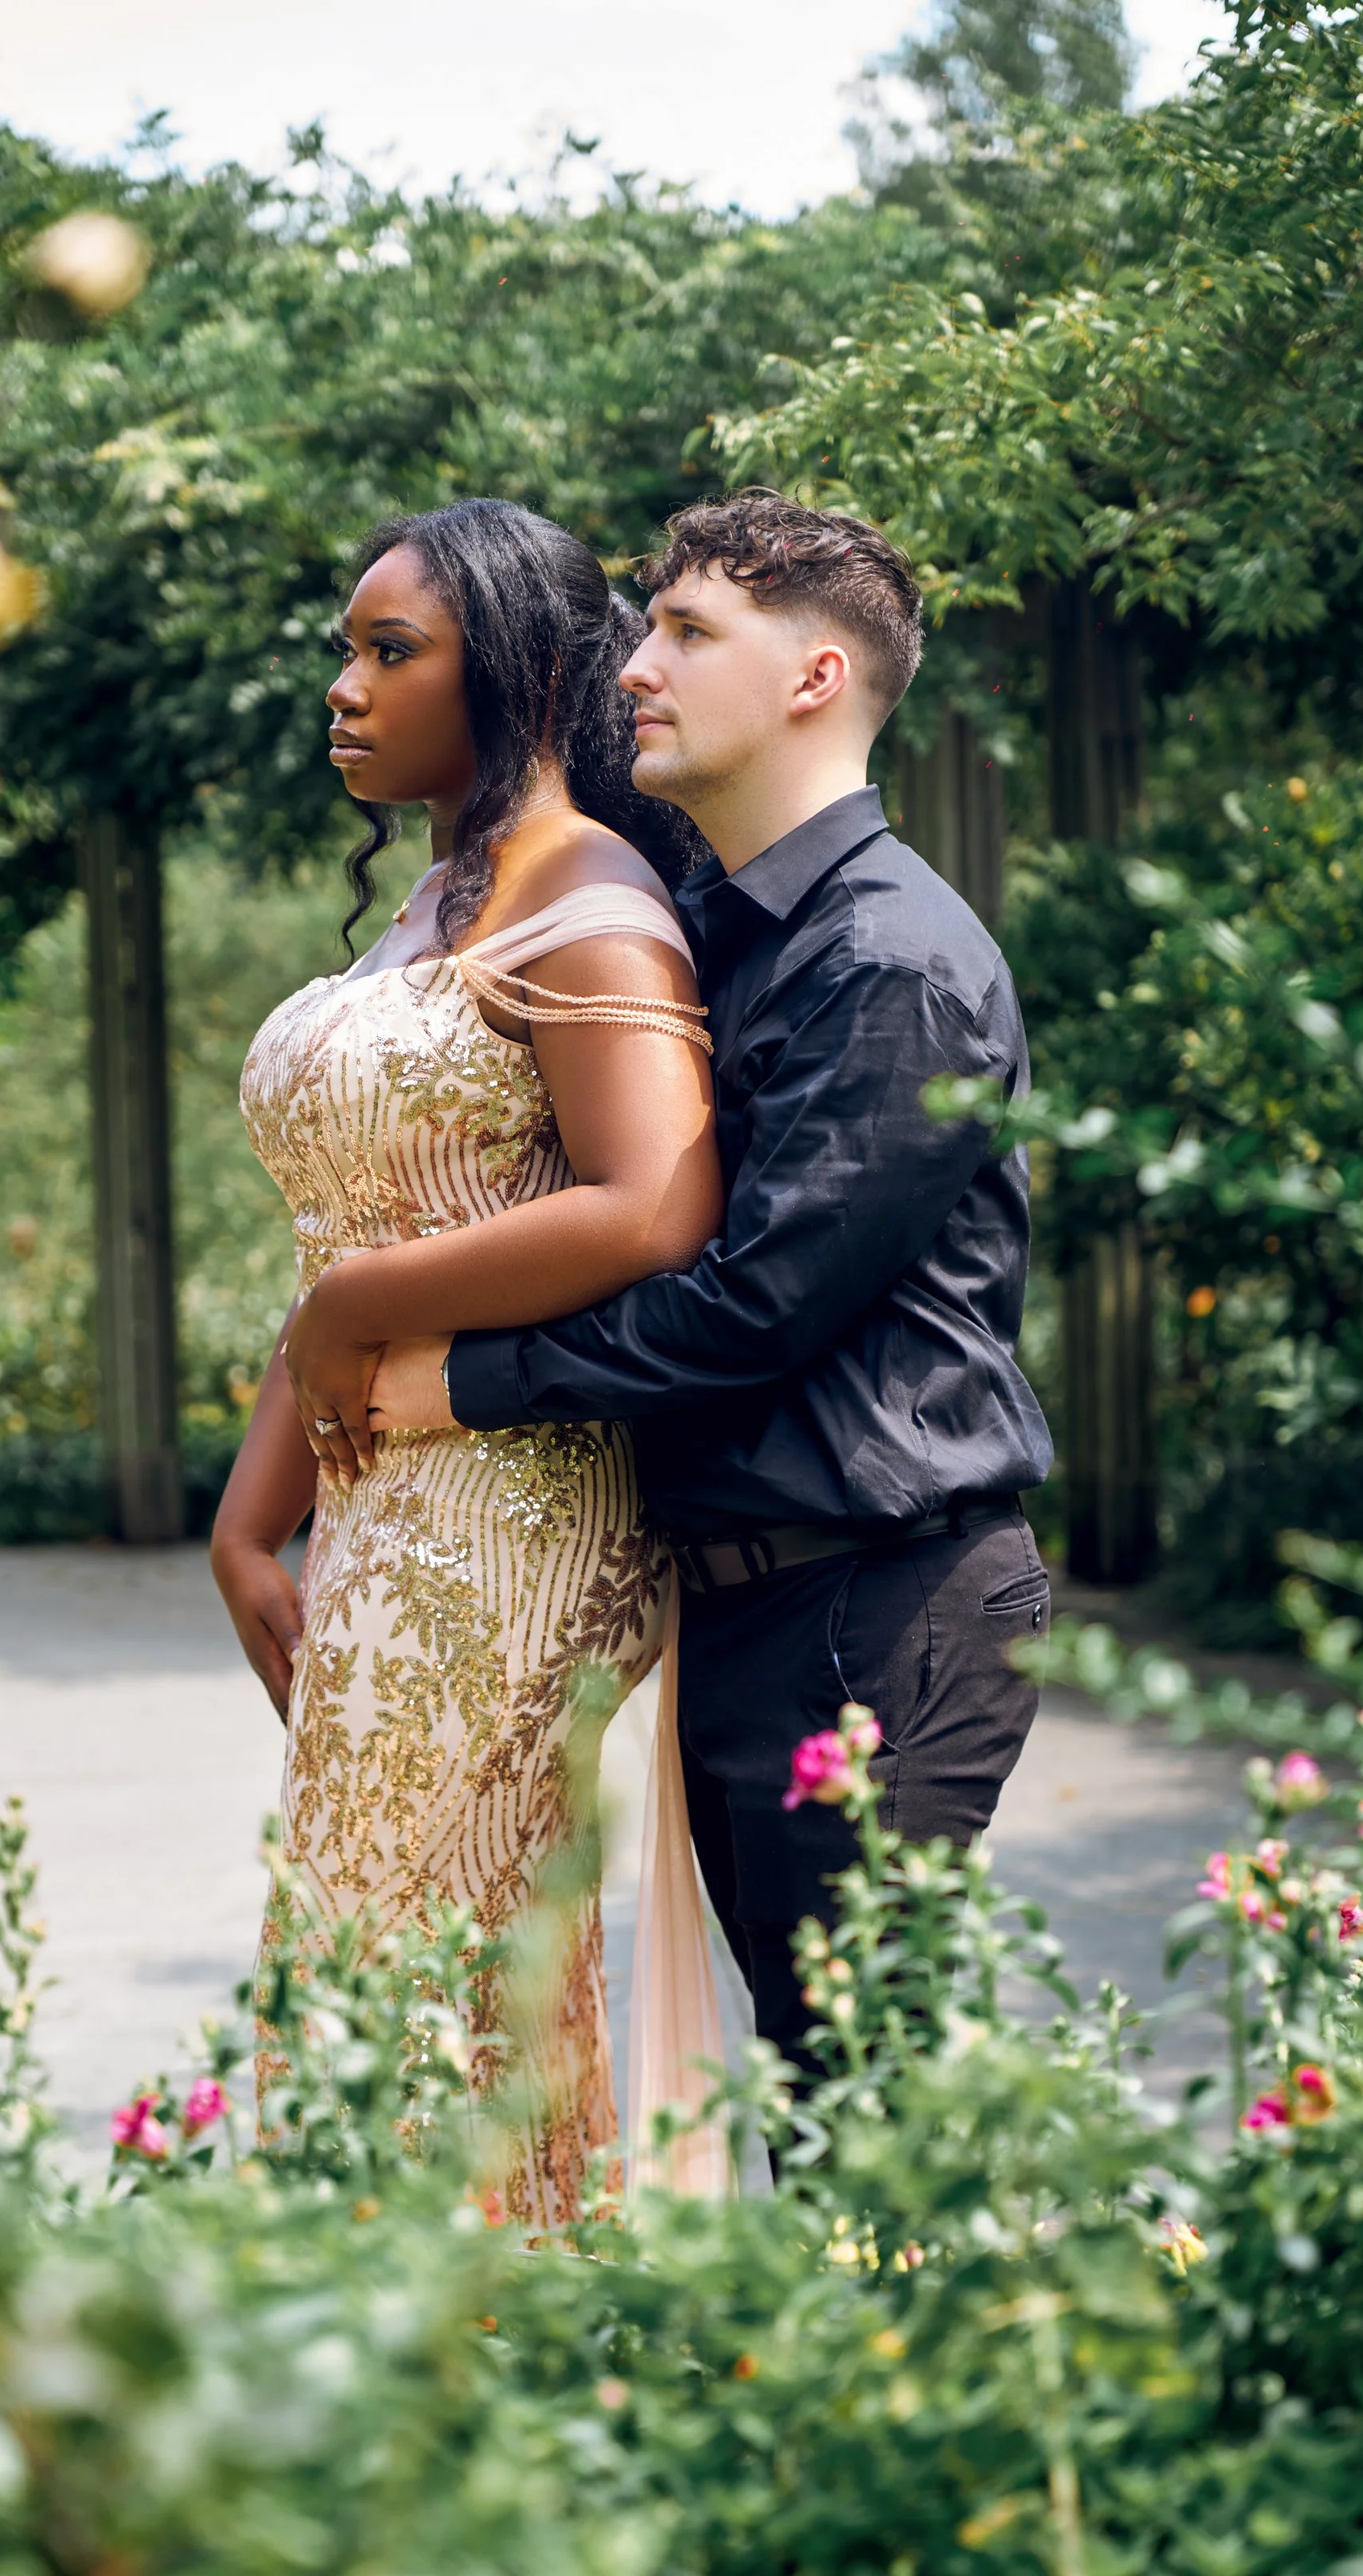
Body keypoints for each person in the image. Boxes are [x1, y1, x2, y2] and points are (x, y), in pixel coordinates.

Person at [359, 490, 1056, 2083]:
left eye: (686, 632)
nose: (632, 670)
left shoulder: (889, 961)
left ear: (814, 678)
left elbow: (753, 1304)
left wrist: (460, 1379)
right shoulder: (718, 937)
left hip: (879, 1607)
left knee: (866, 2112)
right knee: (821, 2115)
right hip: (752, 1605)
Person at [211, 498, 720, 2225]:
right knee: (362, 1945)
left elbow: (651, 1202)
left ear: (520, 668)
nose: (341, 690)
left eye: (387, 649)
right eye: (342, 651)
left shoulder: (590, 896)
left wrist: (352, 1319)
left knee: (423, 1956)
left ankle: (470, 2359)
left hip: (512, 1511)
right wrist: (242, 1523)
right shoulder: (434, 899)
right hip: (379, 1514)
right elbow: (341, 1236)